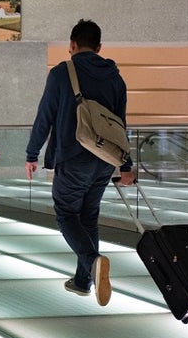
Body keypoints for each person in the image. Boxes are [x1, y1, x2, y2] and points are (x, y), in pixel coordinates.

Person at [25, 19, 134, 306]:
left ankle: (92, 262)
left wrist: (31, 154)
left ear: (72, 45)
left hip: (72, 157)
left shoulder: (62, 73)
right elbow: (121, 124)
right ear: (99, 47)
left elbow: (45, 116)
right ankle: (84, 280)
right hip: (104, 161)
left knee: (66, 214)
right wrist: (126, 165)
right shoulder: (115, 77)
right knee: (88, 216)